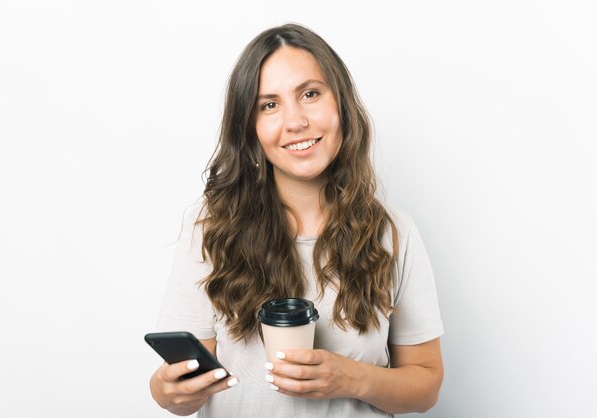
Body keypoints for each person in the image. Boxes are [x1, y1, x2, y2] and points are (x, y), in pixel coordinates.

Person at [149, 23, 444, 418]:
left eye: (310, 94)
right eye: (268, 104)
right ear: (249, 128)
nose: (295, 121)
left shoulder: (393, 233)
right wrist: (168, 392)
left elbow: (425, 386)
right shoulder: (210, 229)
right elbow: (173, 386)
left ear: (340, 103)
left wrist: (351, 379)